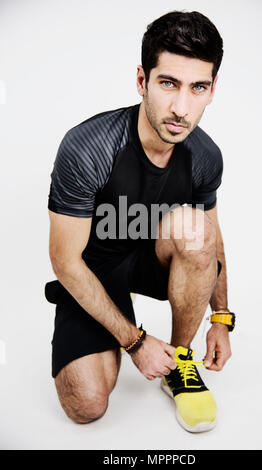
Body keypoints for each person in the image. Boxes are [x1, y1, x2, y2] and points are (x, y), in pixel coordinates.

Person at [44, 10, 235, 433]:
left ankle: (178, 363)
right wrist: (135, 341)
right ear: (142, 80)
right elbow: (65, 262)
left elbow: (212, 241)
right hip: (94, 269)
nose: (181, 108)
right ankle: (121, 335)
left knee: (197, 228)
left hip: (152, 259)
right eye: (168, 83)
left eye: (197, 87)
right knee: (85, 404)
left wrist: (222, 318)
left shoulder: (204, 155)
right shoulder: (88, 147)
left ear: (212, 89)